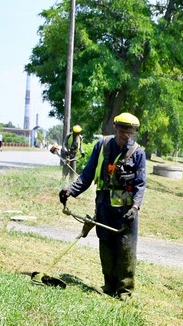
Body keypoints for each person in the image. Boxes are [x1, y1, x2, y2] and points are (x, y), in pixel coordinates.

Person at [59, 113, 146, 299]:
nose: (126, 135)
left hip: (126, 209)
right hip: (104, 204)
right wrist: (70, 190)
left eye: (130, 131)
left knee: (126, 248)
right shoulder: (102, 146)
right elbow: (87, 175)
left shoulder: (138, 153)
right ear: (115, 128)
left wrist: (135, 207)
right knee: (105, 244)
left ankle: (125, 290)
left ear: (134, 132)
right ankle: (109, 284)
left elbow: (140, 184)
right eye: (122, 130)